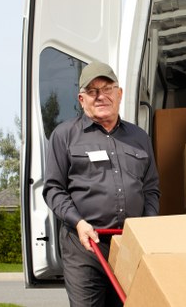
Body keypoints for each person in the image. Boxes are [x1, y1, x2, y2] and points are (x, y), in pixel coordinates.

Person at [43, 61, 160, 306]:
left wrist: (147, 227)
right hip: (84, 246)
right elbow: (53, 189)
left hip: (128, 246)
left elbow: (151, 189)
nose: (101, 96)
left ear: (119, 94)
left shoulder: (139, 138)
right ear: (81, 99)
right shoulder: (65, 135)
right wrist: (79, 223)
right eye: (92, 91)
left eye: (107, 89)